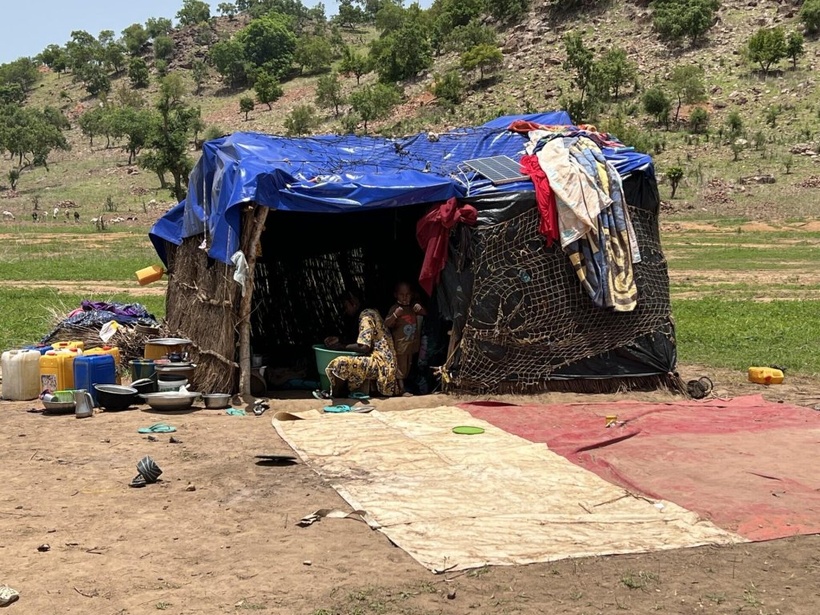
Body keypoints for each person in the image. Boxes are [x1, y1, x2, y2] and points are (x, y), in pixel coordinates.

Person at [319, 290, 399, 398]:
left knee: (340, 363)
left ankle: (335, 395)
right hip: (384, 361)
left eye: (346, 306)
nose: (346, 310)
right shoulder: (371, 312)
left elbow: (364, 347)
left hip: (382, 363)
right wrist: (340, 341)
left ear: (353, 303)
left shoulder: (366, 316)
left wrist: (340, 346)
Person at [385, 282, 427, 395]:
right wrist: (395, 315)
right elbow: (386, 324)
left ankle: (405, 388)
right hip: (400, 346)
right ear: (396, 295)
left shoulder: (413, 308)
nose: (404, 297)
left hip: (412, 345)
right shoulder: (395, 308)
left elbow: (425, 313)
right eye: (401, 294)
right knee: (401, 369)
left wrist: (420, 309)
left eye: (407, 294)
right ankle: (401, 390)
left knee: (408, 368)